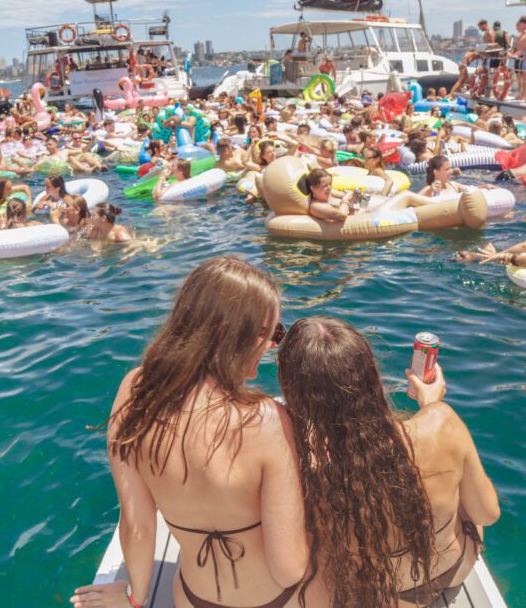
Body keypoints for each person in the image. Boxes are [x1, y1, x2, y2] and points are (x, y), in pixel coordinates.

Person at [70, 256, 308, 608]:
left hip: (194, 599)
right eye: (269, 333)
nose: (274, 345)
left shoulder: (135, 392)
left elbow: (137, 526)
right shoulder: (268, 420)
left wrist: (135, 599)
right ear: (232, 336)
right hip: (278, 599)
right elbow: (289, 570)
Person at [277, 317, 500, 607]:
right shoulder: (443, 422)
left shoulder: (309, 469)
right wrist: (433, 406)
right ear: (371, 376)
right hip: (453, 570)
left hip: (379, 596)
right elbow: (487, 515)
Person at [419, 155, 495, 197]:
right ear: (436, 172)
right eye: (447, 169)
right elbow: (412, 199)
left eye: (450, 168)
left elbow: (472, 189)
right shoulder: (428, 189)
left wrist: (485, 186)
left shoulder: (453, 185)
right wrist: (430, 191)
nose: (450, 171)